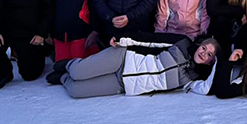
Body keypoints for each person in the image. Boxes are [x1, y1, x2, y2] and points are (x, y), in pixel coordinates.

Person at [57, 35, 219, 98]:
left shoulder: (192, 79)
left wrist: (220, 63)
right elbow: (152, 40)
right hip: (123, 59)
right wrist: (124, 39)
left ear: (211, 62)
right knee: (78, 71)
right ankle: (69, 65)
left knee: (75, 91)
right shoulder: (182, 44)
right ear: (199, 45)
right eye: (204, 48)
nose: (203, 53)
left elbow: (206, 89)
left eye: (209, 55)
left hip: (124, 84)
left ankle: (62, 77)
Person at [49, 0, 98, 81]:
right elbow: (50, 9)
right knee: (61, 66)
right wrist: (48, 31)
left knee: (79, 69)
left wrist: (94, 30)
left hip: (80, 34)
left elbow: (94, 10)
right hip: (61, 35)